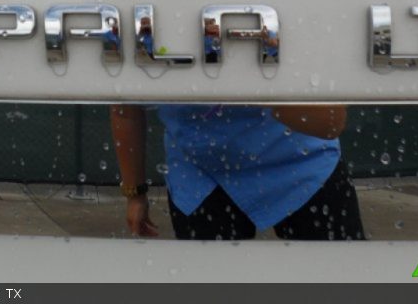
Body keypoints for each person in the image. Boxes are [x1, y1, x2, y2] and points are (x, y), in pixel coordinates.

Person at [110, 102, 364, 240]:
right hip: (201, 173)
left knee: (339, 282)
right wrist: (135, 192)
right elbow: (124, 105)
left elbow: (331, 121)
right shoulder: (149, 11)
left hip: (302, 163)